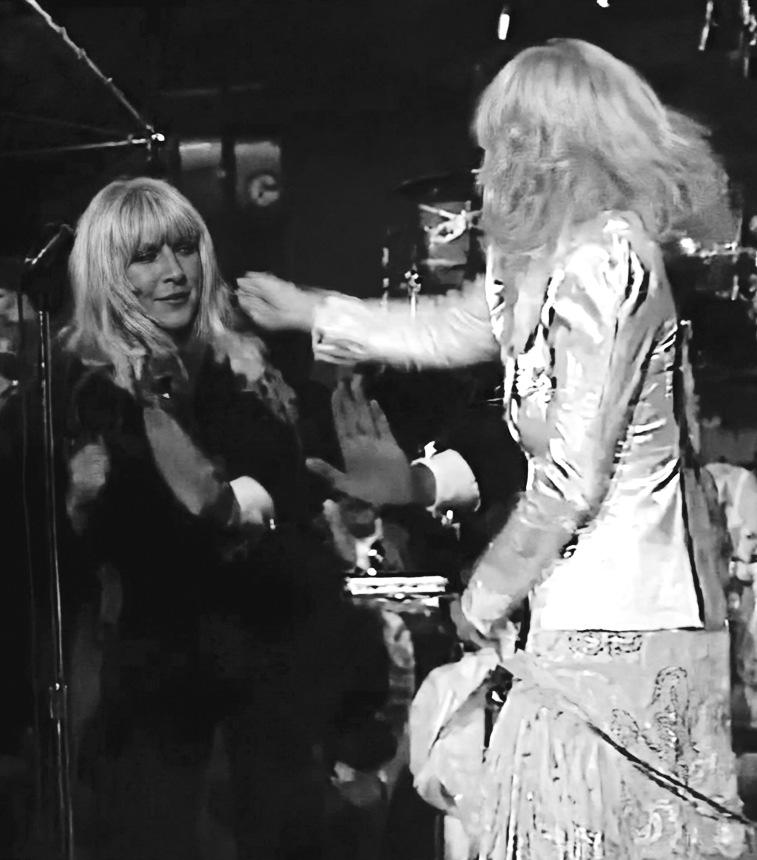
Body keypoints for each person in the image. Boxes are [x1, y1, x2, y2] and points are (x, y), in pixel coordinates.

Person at [237, 39, 748, 858]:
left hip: (631, 617)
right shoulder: (539, 262)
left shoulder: (608, 260)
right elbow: (450, 325)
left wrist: (484, 595)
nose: (482, 172)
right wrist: (314, 311)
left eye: (497, 148)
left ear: (550, 151)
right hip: (569, 617)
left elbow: (573, 475)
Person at [1, 176, 395, 860]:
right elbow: (79, 538)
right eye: (145, 257)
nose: (173, 272)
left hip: (269, 668)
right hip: (147, 678)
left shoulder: (246, 369)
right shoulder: (77, 390)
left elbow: (285, 493)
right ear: (106, 272)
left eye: (183, 249)